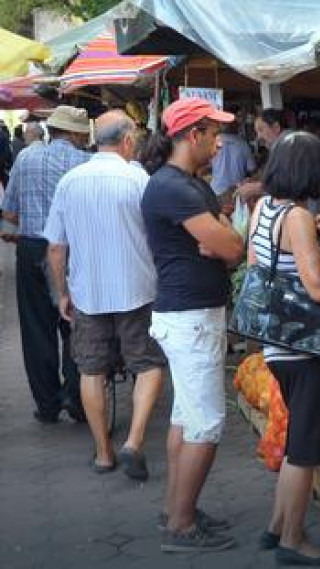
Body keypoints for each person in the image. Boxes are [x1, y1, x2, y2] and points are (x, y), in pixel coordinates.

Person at [140, 98, 243, 553]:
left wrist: (221, 242)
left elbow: (227, 240)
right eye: (213, 132)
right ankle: (181, 525)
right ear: (191, 135)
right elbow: (232, 246)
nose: (219, 142)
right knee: (206, 424)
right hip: (191, 316)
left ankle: (175, 510)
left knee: (186, 417)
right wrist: (220, 242)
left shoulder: (189, 185)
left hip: (192, 313)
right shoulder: (173, 188)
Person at [43, 110, 166, 480]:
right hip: (137, 290)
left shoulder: (70, 181)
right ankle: (134, 442)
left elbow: (55, 248)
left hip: (88, 292)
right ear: (127, 140)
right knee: (148, 364)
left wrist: (63, 292)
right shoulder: (137, 178)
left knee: (91, 369)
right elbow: (157, 236)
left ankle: (103, 453)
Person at [250, 132, 320, 566]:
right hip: (304, 350)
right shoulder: (297, 218)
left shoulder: (262, 209)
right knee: (304, 451)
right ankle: (294, 541)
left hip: (276, 343)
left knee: (296, 440)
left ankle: (275, 527)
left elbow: (256, 267)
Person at [0, 105, 90, 424]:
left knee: (36, 328)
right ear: (78, 134)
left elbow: (8, 213)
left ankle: (48, 403)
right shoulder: (86, 163)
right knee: (76, 324)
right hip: (71, 251)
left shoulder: (25, 158)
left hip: (31, 248)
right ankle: (79, 398)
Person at [211, 119, 255, 199]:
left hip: (216, 191)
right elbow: (251, 169)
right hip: (237, 192)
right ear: (235, 126)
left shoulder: (213, 142)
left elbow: (206, 166)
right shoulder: (243, 144)